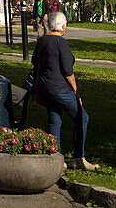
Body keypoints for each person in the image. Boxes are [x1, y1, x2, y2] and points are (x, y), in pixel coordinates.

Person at [32, 10, 97, 171]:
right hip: (59, 87)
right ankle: (79, 158)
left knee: (55, 120)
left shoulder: (42, 41)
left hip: (44, 86)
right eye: (65, 24)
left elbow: (34, 61)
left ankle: (56, 158)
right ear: (62, 26)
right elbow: (68, 71)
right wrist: (76, 92)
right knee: (82, 118)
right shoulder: (61, 43)